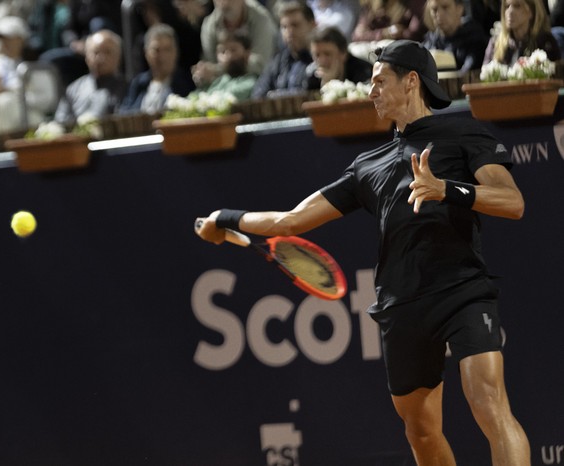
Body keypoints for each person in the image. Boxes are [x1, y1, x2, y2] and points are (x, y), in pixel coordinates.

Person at [195, 40, 531, 466]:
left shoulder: (463, 134)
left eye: (378, 81)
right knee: (421, 431)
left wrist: (446, 189)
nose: (370, 91)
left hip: (461, 289)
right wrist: (224, 218)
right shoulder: (366, 166)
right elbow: (290, 221)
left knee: (488, 402)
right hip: (401, 304)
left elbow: (511, 201)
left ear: (411, 81)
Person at [0, 16, 57, 133]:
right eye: (2, 38)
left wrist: (16, 94)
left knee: (10, 104)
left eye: (10, 38)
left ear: (22, 40)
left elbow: (48, 100)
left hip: (27, 115)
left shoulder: (34, 66)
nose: (5, 43)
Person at [193, 0, 278, 88]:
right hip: (224, 84)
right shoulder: (209, 25)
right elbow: (210, 63)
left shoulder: (261, 19)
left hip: (261, 82)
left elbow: (261, 65)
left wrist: (220, 69)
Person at [54, 29, 127, 125]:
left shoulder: (128, 88)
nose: (101, 58)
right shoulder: (73, 89)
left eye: (107, 52)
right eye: (96, 52)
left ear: (118, 57)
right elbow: (61, 122)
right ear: (86, 57)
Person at [118, 24, 195, 114]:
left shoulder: (187, 83)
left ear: (176, 52)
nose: (162, 57)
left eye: (167, 49)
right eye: (156, 50)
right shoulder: (139, 84)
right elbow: (124, 112)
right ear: (146, 53)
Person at [251, 0, 316, 98]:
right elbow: (258, 95)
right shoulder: (278, 61)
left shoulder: (320, 58)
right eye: (284, 27)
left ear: (312, 25)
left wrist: (274, 95)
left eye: (295, 25)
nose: (289, 31)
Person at [422, 0, 489, 75]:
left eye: (445, 7)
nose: (439, 14)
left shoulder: (475, 40)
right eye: (434, 9)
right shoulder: (430, 42)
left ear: (459, 9)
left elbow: (466, 76)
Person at [483, 0, 560, 64]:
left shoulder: (545, 42)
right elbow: (484, 77)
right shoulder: (495, 43)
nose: (510, 11)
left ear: (531, 12)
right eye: (507, 6)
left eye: (517, 6)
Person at [196, 29, 258, 100]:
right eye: (223, 51)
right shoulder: (219, 81)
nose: (228, 56)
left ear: (247, 53)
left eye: (233, 50)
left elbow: (226, 99)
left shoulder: (251, 81)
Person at [305, 25, 372, 89]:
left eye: (327, 54)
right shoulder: (312, 75)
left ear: (343, 53)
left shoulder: (363, 71)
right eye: (317, 55)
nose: (322, 60)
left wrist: (331, 83)